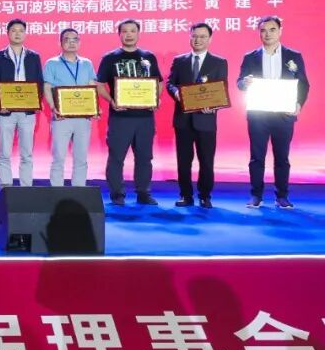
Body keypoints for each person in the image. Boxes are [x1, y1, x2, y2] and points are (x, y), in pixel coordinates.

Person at [236, 15, 310, 209]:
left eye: (272, 30)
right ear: (258, 33)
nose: (267, 34)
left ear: (280, 31)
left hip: (284, 115)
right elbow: (239, 83)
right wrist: (245, 83)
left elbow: (303, 84)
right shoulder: (250, 57)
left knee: (282, 157)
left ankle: (282, 196)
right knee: (256, 157)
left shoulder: (293, 56)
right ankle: (256, 196)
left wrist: (298, 104)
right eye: (263, 30)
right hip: (258, 115)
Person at [96, 18, 162, 206]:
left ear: (138, 33)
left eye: (133, 31)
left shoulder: (148, 57)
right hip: (120, 117)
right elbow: (99, 85)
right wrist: (111, 101)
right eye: (125, 31)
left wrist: (155, 99)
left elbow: (159, 82)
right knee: (116, 157)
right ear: (119, 34)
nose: (129, 35)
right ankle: (117, 194)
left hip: (144, 117)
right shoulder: (110, 58)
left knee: (145, 157)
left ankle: (144, 193)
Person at [166, 22, 228, 209]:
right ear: (189, 37)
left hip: (206, 120)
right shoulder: (180, 61)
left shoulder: (219, 62)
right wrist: (176, 93)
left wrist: (214, 105)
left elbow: (221, 89)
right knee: (183, 161)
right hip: (183, 120)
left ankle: (205, 196)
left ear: (210, 39)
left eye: (202, 36)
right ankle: (186, 195)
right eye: (194, 36)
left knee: (206, 161)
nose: (198, 40)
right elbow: (170, 83)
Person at [0, 18, 43, 188]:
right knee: (4, 153)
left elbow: (39, 82)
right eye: (13, 30)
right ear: (7, 33)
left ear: (25, 34)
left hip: (27, 112)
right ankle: (5, 188)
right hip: (6, 112)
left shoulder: (33, 57)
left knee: (27, 154)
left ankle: (26, 188)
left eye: (21, 31)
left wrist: (36, 101)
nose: (17, 34)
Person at [42, 28, 97, 187]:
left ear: (79, 42)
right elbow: (47, 87)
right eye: (67, 39)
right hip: (61, 117)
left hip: (83, 117)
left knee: (81, 157)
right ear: (60, 42)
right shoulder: (52, 63)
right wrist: (53, 107)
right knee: (58, 156)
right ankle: (56, 191)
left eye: (75, 40)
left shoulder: (87, 63)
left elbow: (91, 86)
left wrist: (94, 107)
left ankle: (79, 190)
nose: (71, 43)